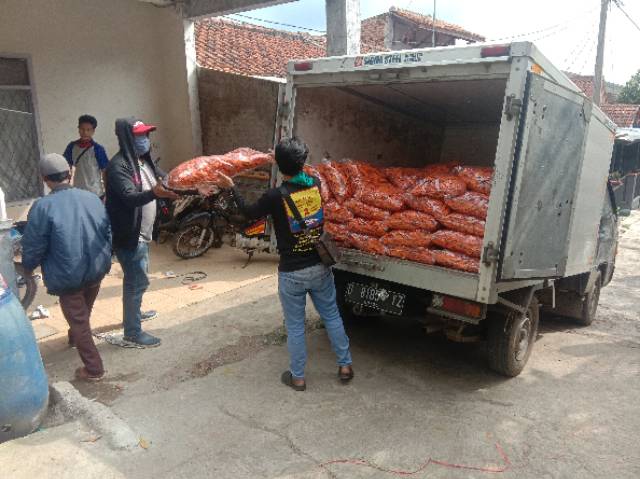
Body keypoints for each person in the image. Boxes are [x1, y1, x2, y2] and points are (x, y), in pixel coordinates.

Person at [218, 138, 353, 391]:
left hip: (292, 273)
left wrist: (231, 187)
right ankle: (345, 365)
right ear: (303, 162)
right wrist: (282, 159)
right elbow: (303, 167)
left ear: (280, 166)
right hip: (320, 266)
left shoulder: (274, 196)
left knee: (295, 326)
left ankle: (298, 377)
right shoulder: (314, 183)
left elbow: (247, 212)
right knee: (332, 315)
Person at [21, 153, 111, 381]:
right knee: (83, 312)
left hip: (67, 275)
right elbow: (107, 231)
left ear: (44, 178)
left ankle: (94, 369)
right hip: (96, 269)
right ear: (70, 174)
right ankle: (74, 338)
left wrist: (27, 268)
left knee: (79, 320)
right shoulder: (91, 197)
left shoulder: (42, 207)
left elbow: (34, 244)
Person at [105, 118, 178, 347]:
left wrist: (195, 187)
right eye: (139, 136)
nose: (145, 140)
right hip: (129, 235)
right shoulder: (119, 166)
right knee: (136, 282)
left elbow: (169, 181)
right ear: (127, 138)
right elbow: (129, 198)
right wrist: (156, 193)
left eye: (146, 135)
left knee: (139, 280)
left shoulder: (143, 161)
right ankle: (132, 333)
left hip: (143, 234)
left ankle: (134, 314)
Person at [63, 114, 109, 199]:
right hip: (78, 191)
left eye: (88, 130)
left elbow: (105, 172)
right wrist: (65, 187)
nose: (85, 132)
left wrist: (107, 192)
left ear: (93, 131)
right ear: (78, 129)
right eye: (82, 129)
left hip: (95, 193)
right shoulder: (72, 147)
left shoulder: (98, 149)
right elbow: (66, 167)